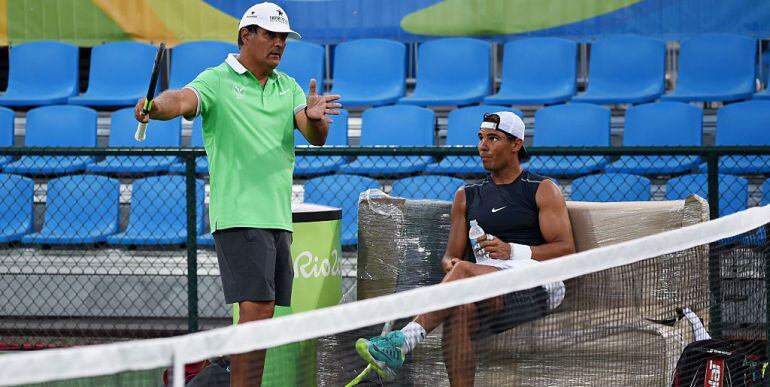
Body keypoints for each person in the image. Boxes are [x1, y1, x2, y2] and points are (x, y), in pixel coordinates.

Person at [133, 3, 341, 386]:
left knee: (262, 319)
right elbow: (179, 100)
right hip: (240, 215)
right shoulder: (216, 80)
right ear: (246, 36)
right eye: (270, 35)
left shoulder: (288, 86)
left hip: (278, 217)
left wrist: (315, 120)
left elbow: (315, 136)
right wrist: (153, 107)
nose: (279, 44)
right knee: (257, 311)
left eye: (283, 38)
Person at [355, 112, 575, 386]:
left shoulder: (541, 189)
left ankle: (403, 342)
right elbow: (451, 256)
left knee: (465, 271)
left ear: (516, 144)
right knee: (459, 308)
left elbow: (567, 250)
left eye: (493, 138)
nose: (483, 146)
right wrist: (451, 265)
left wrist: (513, 251)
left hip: (537, 283)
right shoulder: (466, 196)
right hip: (488, 283)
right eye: (481, 138)